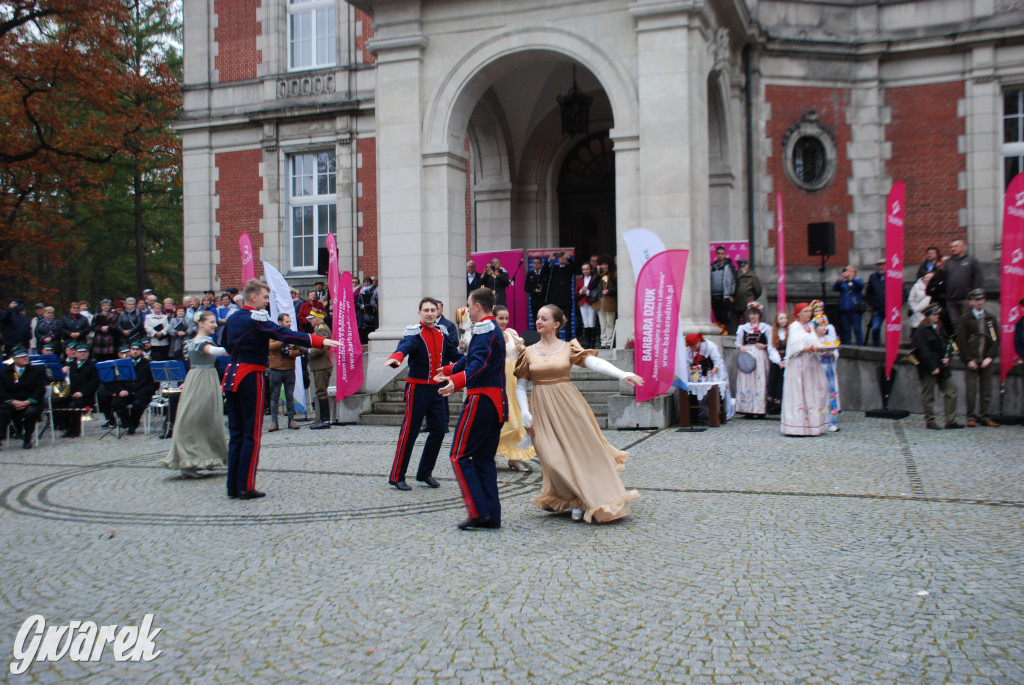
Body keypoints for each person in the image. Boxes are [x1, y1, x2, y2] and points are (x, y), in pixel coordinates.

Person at [514, 304, 642, 523]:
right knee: (551, 456)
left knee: (581, 451)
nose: (539, 321)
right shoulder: (528, 352)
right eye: (537, 317)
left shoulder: (568, 348)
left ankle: (583, 500)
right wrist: (525, 412)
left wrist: (622, 374)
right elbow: (520, 386)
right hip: (541, 407)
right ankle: (572, 497)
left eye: (544, 318)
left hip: (568, 405)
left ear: (556, 324)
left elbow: (594, 362)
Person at [221, 279, 340, 500]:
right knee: (251, 434)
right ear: (253, 297)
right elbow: (283, 334)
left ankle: (233, 485)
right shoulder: (256, 317)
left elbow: (225, 343)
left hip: (231, 375)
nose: (267, 302)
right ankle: (246, 485)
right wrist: (318, 341)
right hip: (250, 375)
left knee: (236, 434)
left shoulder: (233, 317)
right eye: (265, 298)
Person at [436, 288, 506, 530]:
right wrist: (447, 371)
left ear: (477, 306)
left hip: (482, 399)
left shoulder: (485, 327)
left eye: (468, 305)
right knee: (484, 458)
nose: (466, 310)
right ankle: (491, 515)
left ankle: (477, 512)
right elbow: (469, 360)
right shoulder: (489, 327)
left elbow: (478, 363)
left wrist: (455, 382)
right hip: (494, 400)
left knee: (460, 455)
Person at [385, 297, 463, 490]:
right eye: (426, 310)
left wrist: (477, 358)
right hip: (417, 388)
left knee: (438, 430)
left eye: (432, 310)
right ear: (419, 313)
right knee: (409, 431)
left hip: (436, 389)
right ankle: (397, 475)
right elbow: (404, 347)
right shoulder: (414, 333)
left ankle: (424, 472)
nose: (429, 313)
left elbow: (456, 356)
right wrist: (396, 358)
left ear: (438, 313)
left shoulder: (442, 333)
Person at [158, 311, 229, 477]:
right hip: (202, 380)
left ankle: (205, 458)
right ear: (201, 323)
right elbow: (212, 351)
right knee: (196, 418)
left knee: (207, 418)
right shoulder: (201, 342)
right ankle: (189, 461)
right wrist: (233, 346)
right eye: (211, 322)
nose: (214, 325)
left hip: (202, 378)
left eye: (215, 322)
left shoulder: (194, 341)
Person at [492, 305, 536, 471]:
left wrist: (522, 350)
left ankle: (514, 458)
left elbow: (519, 352)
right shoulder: (488, 335)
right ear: (494, 318)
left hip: (512, 379)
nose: (504, 321)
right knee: (501, 419)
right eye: (500, 318)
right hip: (497, 378)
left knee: (516, 419)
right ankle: (490, 454)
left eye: (506, 318)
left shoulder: (512, 334)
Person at [780, 302, 830, 436]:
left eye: (809, 311)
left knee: (813, 390)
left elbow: (815, 342)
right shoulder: (795, 327)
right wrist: (812, 348)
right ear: (798, 314)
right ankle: (796, 425)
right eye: (806, 311)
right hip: (798, 364)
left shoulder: (809, 327)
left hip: (811, 364)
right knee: (798, 392)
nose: (809, 314)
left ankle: (813, 424)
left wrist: (822, 349)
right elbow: (795, 347)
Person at [912, 303, 961, 429]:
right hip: (929, 366)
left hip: (942, 365)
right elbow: (922, 351)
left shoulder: (940, 327)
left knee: (952, 389)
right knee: (928, 394)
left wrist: (948, 357)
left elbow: (948, 343)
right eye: (934, 314)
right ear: (928, 316)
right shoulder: (922, 330)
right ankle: (930, 420)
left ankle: (950, 420)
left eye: (938, 314)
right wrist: (932, 367)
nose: (937, 316)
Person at [956, 289, 999, 428]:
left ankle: (985, 416)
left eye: (981, 299)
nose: (979, 302)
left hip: (986, 358)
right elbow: (961, 341)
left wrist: (990, 357)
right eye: (976, 300)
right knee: (971, 390)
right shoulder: (965, 318)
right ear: (971, 302)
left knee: (986, 390)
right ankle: (970, 416)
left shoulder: (990, 318)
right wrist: (968, 359)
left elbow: (995, 340)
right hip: (972, 358)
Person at [0, 346, 47, 449]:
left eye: (26, 356)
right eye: (21, 357)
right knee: (3, 412)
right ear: (14, 359)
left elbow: (40, 389)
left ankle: (27, 438)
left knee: (31, 412)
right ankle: (1, 436)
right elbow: (2, 391)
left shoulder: (36, 371)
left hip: (31, 402)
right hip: (12, 402)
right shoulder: (4, 372)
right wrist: (12, 401)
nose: (25, 358)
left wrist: (28, 401)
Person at [111, 340, 159, 435]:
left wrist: (144, 391)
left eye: (137, 349)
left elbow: (153, 383)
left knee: (138, 404)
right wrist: (121, 390)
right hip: (127, 392)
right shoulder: (123, 364)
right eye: (133, 349)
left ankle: (133, 425)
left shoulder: (148, 364)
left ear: (141, 351)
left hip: (142, 393)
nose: (135, 351)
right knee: (116, 403)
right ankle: (127, 423)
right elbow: (117, 381)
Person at [53, 343, 99, 438]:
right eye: (80, 352)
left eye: (84, 352)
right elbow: (62, 382)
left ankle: (75, 429)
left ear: (88, 353)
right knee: (56, 404)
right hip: (70, 394)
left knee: (73, 405)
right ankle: (66, 427)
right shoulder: (70, 364)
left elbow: (94, 382)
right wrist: (63, 372)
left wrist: (82, 392)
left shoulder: (93, 365)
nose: (82, 354)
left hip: (85, 396)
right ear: (76, 353)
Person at [267, 312, 302, 432]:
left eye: (289, 321)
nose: (289, 323)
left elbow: (299, 349)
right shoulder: (274, 333)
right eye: (286, 321)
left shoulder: (293, 334)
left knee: (289, 395)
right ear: (280, 322)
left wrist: (294, 353)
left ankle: (291, 419)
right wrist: (283, 340)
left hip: (289, 368)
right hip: (275, 368)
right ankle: (274, 421)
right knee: (275, 396)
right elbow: (270, 347)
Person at [734, 302, 771, 417]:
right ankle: (747, 408)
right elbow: (738, 342)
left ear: (759, 314)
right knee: (747, 381)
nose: (752, 316)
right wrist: (741, 347)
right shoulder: (743, 328)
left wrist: (764, 346)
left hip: (760, 356)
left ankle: (760, 409)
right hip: (747, 357)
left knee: (760, 380)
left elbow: (771, 344)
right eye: (751, 314)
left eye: (755, 314)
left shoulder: (766, 328)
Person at [943, 238, 985, 332]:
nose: (953, 248)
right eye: (952, 247)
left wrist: (974, 296)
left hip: (966, 299)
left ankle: (969, 343)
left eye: (956, 246)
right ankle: (960, 344)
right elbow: (942, 278)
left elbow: (978, 278)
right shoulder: (947, 262)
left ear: (963, 246)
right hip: (951, 300)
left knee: (967, 322)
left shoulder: (971, 260)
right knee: (955, 324)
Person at [813, 313, 842, 432]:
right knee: (817, 393)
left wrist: (832, 353)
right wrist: (819, 353)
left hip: (829, 367)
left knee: (831, 392)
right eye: (820, 325)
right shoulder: (813, 339)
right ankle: (817, 419)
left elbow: (836, 353)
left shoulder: (830, 339)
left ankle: (831, 420)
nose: (823, 328)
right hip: (818, 368)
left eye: (825, 325)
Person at [306, 310, 334, 430]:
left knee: (321, 392)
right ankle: (322, 419)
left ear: (317, 318)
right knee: (320, 391)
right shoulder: (319, 328)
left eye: (311, 318)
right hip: (319, 365)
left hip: (322, 365)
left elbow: (321, 347)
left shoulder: (321, 329)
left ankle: (325, 420)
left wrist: (307, 350)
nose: (310, 321)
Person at [832, 265, 865, 345]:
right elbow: (835, 288)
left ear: (854, 273)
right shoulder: (843, 283)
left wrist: (851, 279)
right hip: (844, 309)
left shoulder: (857, 280)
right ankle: (848, 346)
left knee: (857, 329)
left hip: (855, 309)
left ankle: (860, 346)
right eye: (847, 271)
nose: (848, 273)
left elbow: (860, 286)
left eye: (850, 271)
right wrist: (841, 279)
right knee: (846, 330)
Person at [730, 260, 762, 334]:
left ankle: (749, 337)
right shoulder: (735, 275)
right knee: (734, 324)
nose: (742, 268)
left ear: (747, 266)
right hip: (735, 303)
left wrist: (751, 298)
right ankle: (734, 339)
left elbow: (758, 290)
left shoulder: (752, 276)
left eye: (743, 266)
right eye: (740, 266)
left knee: (749, 322)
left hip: (747, 303)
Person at [766, 311, 789, 415]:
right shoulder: (773, 332)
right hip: (777, 361)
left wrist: (786, 360)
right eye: (781, 318)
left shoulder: (790, 331)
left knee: (784, 382)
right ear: (777, 320)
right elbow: (771, 348)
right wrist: (778, 361)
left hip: (787, 360)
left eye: (785, 318)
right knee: (775, 382)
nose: (783, 320)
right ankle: (774, 406)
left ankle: (784, 406)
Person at [545, 252, 575, 331]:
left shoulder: (569, 267)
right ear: (558, 259)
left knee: (567, 319)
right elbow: (544, 272)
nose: (562, 258)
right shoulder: (554, 268)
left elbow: (574, 268)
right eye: (560, 257)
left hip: (566, 298)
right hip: (556, 298)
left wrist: (569, 259)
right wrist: (549, 261)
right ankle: (556, 338)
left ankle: (568, 337)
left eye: (564, 257)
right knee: (555, 319)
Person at [709, 246, 736, 332]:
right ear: (715, 254)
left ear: (725, 254)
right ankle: (719, 332)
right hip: (714, 296)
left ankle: (726, 333)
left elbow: (734, 281)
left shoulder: (729, 266)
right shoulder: (711, 266)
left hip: (725, 296)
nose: (720, 255)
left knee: (725, 317)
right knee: (717, 317)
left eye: (722, 253)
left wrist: (732, 295)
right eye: (718, 253)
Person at [594, 256, 617, 349]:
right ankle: (603, 342)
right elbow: (592, 285)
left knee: (609, 322)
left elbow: (618, 288)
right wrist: (598, 273)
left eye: (605, 264)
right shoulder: (598, 275)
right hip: (599, 301)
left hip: (610, 301)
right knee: (602, 322)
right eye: (601, 264)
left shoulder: (613, 273)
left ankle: (610, 341)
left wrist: (609, 291)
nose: (603, 266)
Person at [863, 259, 886, 347]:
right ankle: (876, 347)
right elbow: (868, 292)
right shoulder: (873, 277)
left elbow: (902, 291)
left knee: (892, 330)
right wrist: (871, 303)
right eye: (879, 265)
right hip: (877, 308)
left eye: (883, 265)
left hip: (891, 309)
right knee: (875, 328)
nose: (881, 267)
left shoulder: (894, 275)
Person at [575, 262, 598, 349]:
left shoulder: (593, 279)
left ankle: (592, 342)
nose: (585, 271)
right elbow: (576, 292)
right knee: (586, 322)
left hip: (591, 301)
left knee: (591, 321)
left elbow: (596, 290)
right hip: (582, 302)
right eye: (584, 269)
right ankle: (587, 341)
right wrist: (581, 291)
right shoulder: (580, 280)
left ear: (591, 270)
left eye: (587, 269)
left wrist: (587, 292)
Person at [525, 256, 549, 326]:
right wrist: (534, 290)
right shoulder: (530, 274)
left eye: (538, 263)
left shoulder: (544, 273)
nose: (536, 264)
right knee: (536, 318)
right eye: (534, 263)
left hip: (544, 300)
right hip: (534, 301)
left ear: (541, 264)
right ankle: (538, 335)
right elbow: (526, 287)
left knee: (545, 318)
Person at [356, 276, 379, 345]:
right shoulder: (361, 292)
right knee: (362, 331)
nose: (366, 284)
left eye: (368, 282)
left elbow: (374, 303)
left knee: (369, 329)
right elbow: (357, 302)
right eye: (365, 282)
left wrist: (365, 306)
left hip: (370, 314)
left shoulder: (374, 291)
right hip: (361, 314)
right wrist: (360, 305)